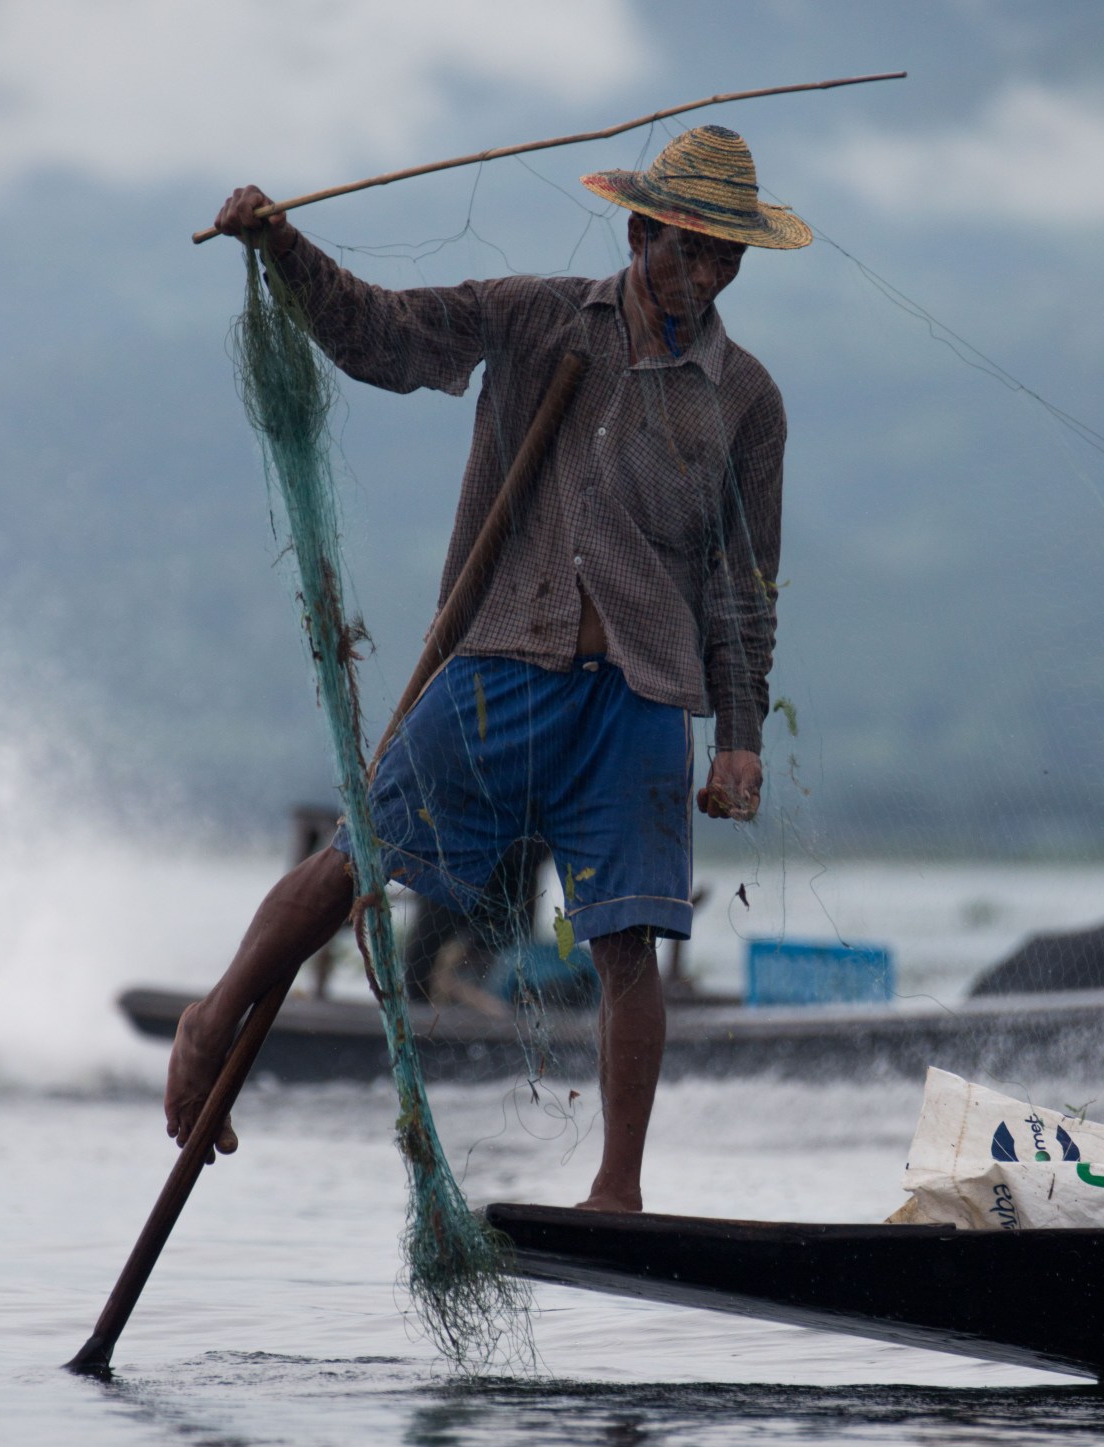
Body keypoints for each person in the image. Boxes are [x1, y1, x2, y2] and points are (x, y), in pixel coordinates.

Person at [166, 126, 811, 1211]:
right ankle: (213, 1015)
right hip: (506, 655)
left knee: (628, 946)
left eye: (725, 259)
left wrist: (739, 738)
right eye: (687, 249)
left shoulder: (746, 401)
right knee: (357, 857)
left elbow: (745, 591)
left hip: (642, 697)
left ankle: (619, 1189)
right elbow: (386, 336)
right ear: (640, 228)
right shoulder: (538, 318)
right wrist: (284, 247)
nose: (702, 277)